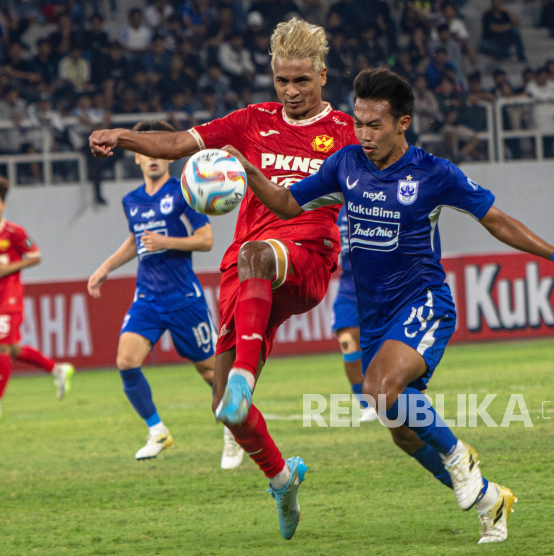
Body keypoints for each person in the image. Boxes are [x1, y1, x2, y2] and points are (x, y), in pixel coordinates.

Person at [224, 67, 554, 544]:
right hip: (375, 317)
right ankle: (490, 500)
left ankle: (459, 458)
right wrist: (246, 169)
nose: (363, 134)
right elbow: (285, 204)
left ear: (403, 123)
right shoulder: (345, 164)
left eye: (375, 125)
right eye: (359, 123)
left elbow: (497, 220)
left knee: (380, 389)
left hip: (423, 302)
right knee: (403, 432)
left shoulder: (433, 173)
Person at [89, 18, 357, 539]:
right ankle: (282, 479)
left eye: (302, 80)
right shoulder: (251, 121)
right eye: (282, 80)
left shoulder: (346, 134)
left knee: (256, 258)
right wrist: (121, 136)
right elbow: (173, 144)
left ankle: (243, 379)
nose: (291, 91)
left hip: (306, 257)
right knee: (223, 411)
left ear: (323, 75)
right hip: (245, 271)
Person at [87, 120, 241, 467]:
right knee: (126, 362)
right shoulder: (132, 201)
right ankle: (157, 431)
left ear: (167, 157)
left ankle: (235, 430)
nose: (151, 158)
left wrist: (167, 241)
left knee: (211, 372)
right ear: (137, 159)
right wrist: (105, 268)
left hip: (183, 298)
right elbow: (136, 240)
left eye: (156, 151)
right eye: (143, 152)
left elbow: (205, 240)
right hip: (148, 298)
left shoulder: (185, 192)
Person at [0, 176, 75, 421]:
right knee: (14, 349)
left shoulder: (14, 232)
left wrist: (8, 268)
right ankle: (57, 369)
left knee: (1, 346)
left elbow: (35, 255)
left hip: (11, 298)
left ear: (2, 206)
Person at [332, 207, 378, 422]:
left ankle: (407, 399)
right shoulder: (334, 209)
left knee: (384, 346)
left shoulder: (373, 199)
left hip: (380, 287)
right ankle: (366, 404)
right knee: (347, 340)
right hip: (349, 288)